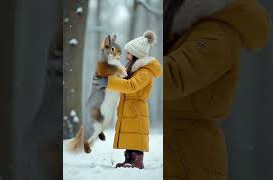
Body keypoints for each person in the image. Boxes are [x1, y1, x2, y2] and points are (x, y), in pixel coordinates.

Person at [164, 0, 271, 179]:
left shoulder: (216, 34)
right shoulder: (188, 31)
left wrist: (127, 67)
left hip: (187, 158)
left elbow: (174, 77)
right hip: (178, 151)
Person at [94, 30, 162, 169]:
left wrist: (110, 81)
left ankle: (137, 161)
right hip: (128, 107)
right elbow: (122, 81)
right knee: (130, 135)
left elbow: (131, 86)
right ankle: (129, 159)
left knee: (136, 135)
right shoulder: (132, 69)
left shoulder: (144, 72)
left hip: (137, 109)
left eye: (129, 52)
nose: (127, 55)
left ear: (137, 54)